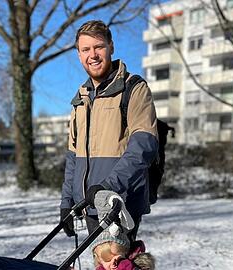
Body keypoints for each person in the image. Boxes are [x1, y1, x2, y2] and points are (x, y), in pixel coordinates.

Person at [60, 20, 159, 249]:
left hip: (119, 203)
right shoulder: (80, 98)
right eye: (85, 49)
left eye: (98, 47)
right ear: (78, 54)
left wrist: (108, 186)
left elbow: (143, 146)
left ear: (111, 47)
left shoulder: (133, 88)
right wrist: (67, 202)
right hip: (88, 204)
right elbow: (73, 156)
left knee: (117, 263)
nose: (92, 55)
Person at [91, 226, 155, 270]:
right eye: (107, 260)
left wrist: (124, 265)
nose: (113, 264)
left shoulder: (137, 263)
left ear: (125, 252)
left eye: (116, 259)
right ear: (100, 261)